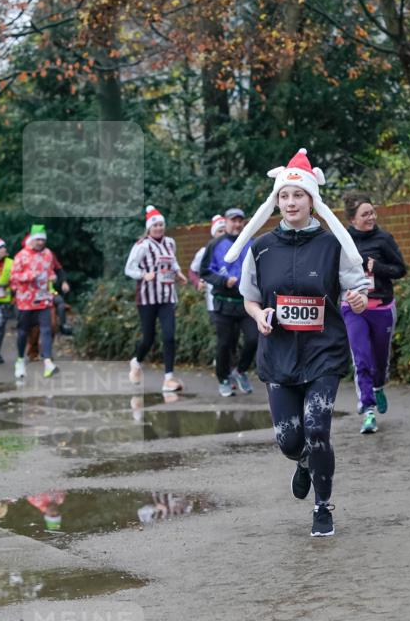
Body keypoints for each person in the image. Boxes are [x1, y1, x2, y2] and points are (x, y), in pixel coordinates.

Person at [235, 147, 368, 537]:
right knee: (289, 441)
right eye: (284, 195)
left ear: (312, 200)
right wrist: (258, 315)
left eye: (299, 195)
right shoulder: (261, 247)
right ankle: (303, 461)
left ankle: (323, 507)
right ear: (276, 201)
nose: (291, 202)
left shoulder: (332, 245)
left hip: (323, 352)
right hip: (278, 354)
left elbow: (356, 290)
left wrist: (357, 299)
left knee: (317, 429)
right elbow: (249, 297)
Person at [342, 192, 407, 434]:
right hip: (353, 308)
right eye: (365, 214)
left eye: (372, 212)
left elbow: (400, 269)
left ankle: (378, 386)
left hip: (381, 308)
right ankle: (368, 409)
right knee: (361, 359)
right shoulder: (342, 241)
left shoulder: (383, 239)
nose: (371, 217)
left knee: (379, 360)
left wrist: (377, 267)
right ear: (352, 219)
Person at [125, 205, 187, 392]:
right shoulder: (142, 245)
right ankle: (136, 362)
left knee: (169, 336)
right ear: (149, 228)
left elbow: (172, 261)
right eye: (155, 225)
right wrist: (144, 275)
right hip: (147, 298)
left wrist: (179, 273)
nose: (159, 228)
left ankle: (168, 378)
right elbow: (129, 268)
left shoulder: (170, 242)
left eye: (161, 224)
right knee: (149, 338)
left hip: (167, 296)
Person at [199, 207, 258, 398]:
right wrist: (223, 281)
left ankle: (240, 371)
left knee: (254, 339)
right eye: (233, 220)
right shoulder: (215, 244)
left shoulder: (252, 243)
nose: (237, 224)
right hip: (223, 303)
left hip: (246, 303)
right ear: (225, 222)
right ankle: (223, 379)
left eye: (240, 221)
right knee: (224, 343)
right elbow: (205, 271)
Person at [10, 225, 60, 379]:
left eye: (43, 240)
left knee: (46, 329)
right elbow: (13, 277)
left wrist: (53, 277)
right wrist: (31, 275)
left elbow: (50, 271)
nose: (40, 242)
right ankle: (20, 361)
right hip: (25, 301)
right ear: (31, 240)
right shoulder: (21, 256)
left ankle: (47, 362)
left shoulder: (48, 254)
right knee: (23, 332)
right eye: (38, 239)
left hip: (43, 299)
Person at [0, 239, 14, 364]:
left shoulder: (11, 263)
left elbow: (16, 278)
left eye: (4, 247)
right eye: (1, 248)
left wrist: (9, 284)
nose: (4, 250)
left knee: (0, 328)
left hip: (5, 299)